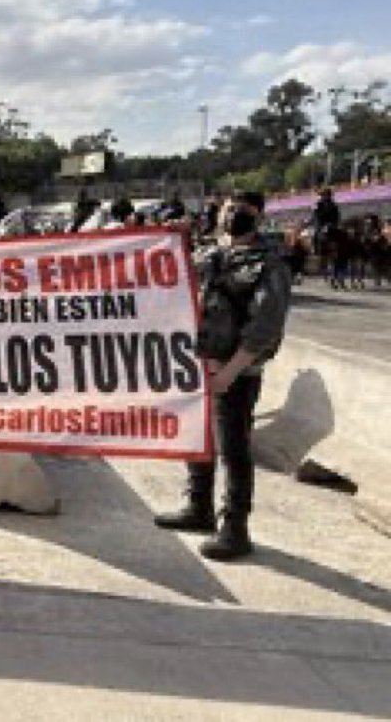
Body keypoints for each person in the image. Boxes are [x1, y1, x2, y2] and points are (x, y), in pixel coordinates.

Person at [154, 191, 292, 560]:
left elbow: (265, 327)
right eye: (229, 209)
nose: (233, 216)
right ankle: (198, 507)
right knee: (196, 440)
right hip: (195, 365)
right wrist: (171, 239)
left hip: (235, 373)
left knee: (233, 450)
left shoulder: (270, 264)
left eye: (242, 211)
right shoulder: (211, 254)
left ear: (258, 217)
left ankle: (235, 527)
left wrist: (229, 373)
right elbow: (169, 278)